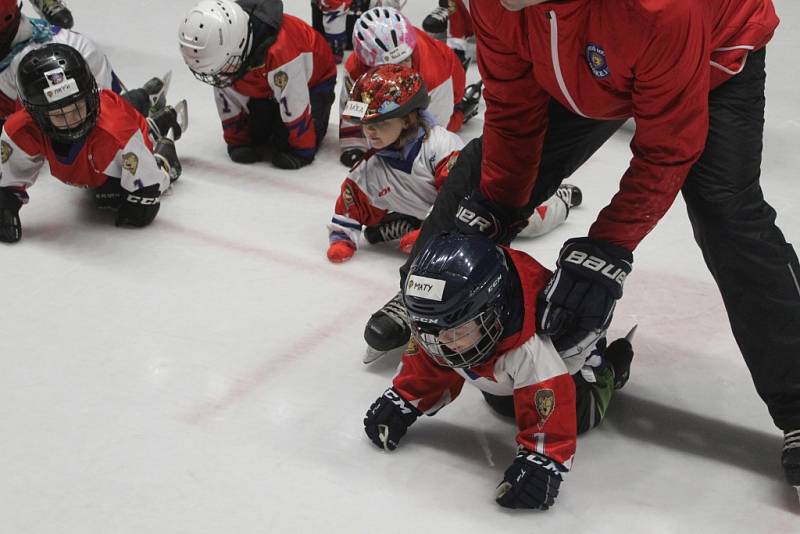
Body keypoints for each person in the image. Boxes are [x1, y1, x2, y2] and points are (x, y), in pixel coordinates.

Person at [366, 0, 800, 490]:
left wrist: (608, 249)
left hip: (708, 54)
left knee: (727, 213)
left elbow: (669, 147)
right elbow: (513, 114)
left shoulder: (661, 8)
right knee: (478, 179)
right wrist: (491, 212)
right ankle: (427, 289)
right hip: (588, 56)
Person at [363, 232, 635, 510]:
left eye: (455, 329)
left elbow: (550, 401)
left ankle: (613, 366)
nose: (441, 340)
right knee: (500, 400)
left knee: (582, 416)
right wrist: (402, 401)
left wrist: (542, 464)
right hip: (504, 370)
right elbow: (432, 358)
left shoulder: (529, 348)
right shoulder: (456, 322)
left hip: (572, 365)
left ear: (493, 311)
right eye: (430, 328)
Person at [333, 64, 580, 361]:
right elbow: (351, 202)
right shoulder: (369, 169)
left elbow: (457, 200)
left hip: (476, 207)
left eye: (380, 123)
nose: (369, 132)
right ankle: (409, 235)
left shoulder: (439, 145)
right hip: (428, 215)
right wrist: (343, 236)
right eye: (365, 124)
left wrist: (427, 234)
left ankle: (562, 199)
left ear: (409, 118)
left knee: (533, 221)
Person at [0, 43, 184, 242]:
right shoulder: (21, 129)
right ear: (36, 114)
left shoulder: (117, 135)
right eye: (60, 115)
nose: (73, 121)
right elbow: (8, 181)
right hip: (110, 115)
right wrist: (5, 205)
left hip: (119, 129)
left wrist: (138, 207)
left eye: (77, 107)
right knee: (116, 108)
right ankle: (147, 96)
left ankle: (164, 154)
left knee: (115, 195)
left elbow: (148, 184)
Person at [178, 0, 336, 170]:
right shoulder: (226, 55)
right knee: (257, 135)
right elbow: (227, 98)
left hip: (314, 81)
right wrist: (238, 143)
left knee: (286, 142)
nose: (219, 76)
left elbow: (295, 103)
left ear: (238, 47)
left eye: (223, 68)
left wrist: (302, 150)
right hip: (264, 85)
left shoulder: (282, 51)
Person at [338, 5, 480, 168]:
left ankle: (462, 111)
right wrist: (353, 145)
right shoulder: (356, 69)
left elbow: (434, 128)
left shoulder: (434, 73)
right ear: (366, 64)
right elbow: (353, 107)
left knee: (444, 124)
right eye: (389, 66)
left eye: (405, 60)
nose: (400, 71)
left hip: (449, 78)